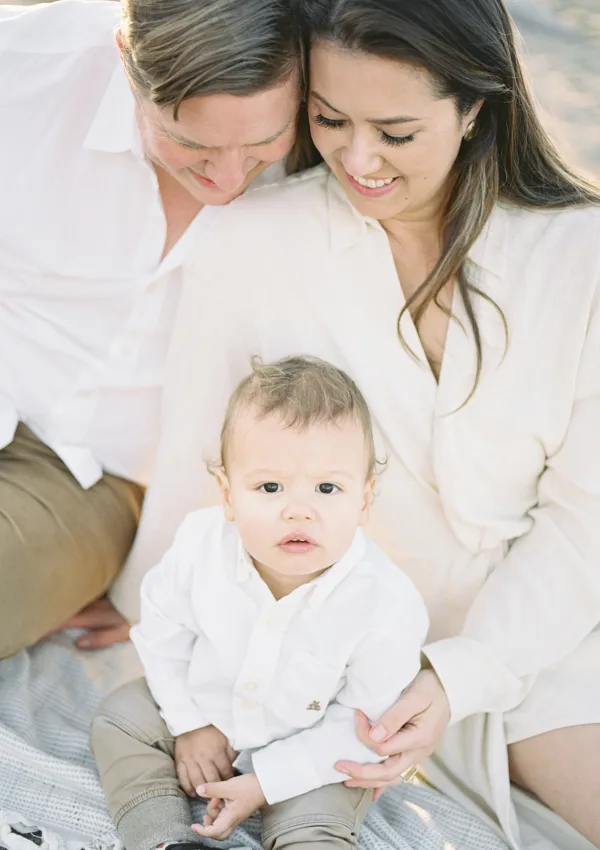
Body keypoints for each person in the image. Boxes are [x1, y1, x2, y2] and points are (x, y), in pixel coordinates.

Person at [108, 0, 600, 847]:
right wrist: (139, 609)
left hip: (547, 631)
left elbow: (585, 517)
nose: (358, 157)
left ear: (476, 107)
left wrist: (460, 675)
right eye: (330, 119)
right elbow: (202, 460)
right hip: (337, 650)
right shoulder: (253, 241)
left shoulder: (579, 256)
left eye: (397, 132)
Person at [0, 0, 304, 658]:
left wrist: (166, 584)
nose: (227, 179)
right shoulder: (21, 71)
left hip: (97, 477)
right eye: (191, 144)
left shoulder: (330, 137)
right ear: (124, 59)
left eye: (259, 149)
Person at [91, 355, 429, 850]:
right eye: (269, 487)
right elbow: (162, 636)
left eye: (328, 488)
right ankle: (162, 836)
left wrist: (269, 782)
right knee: (120, 719)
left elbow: (365, 723)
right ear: (228, 494)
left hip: (312, 752)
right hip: (211, 711)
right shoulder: (199, 545)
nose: (298, 510)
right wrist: (190, 724)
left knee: (332, 798)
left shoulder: (387, 603)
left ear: (364, 498)